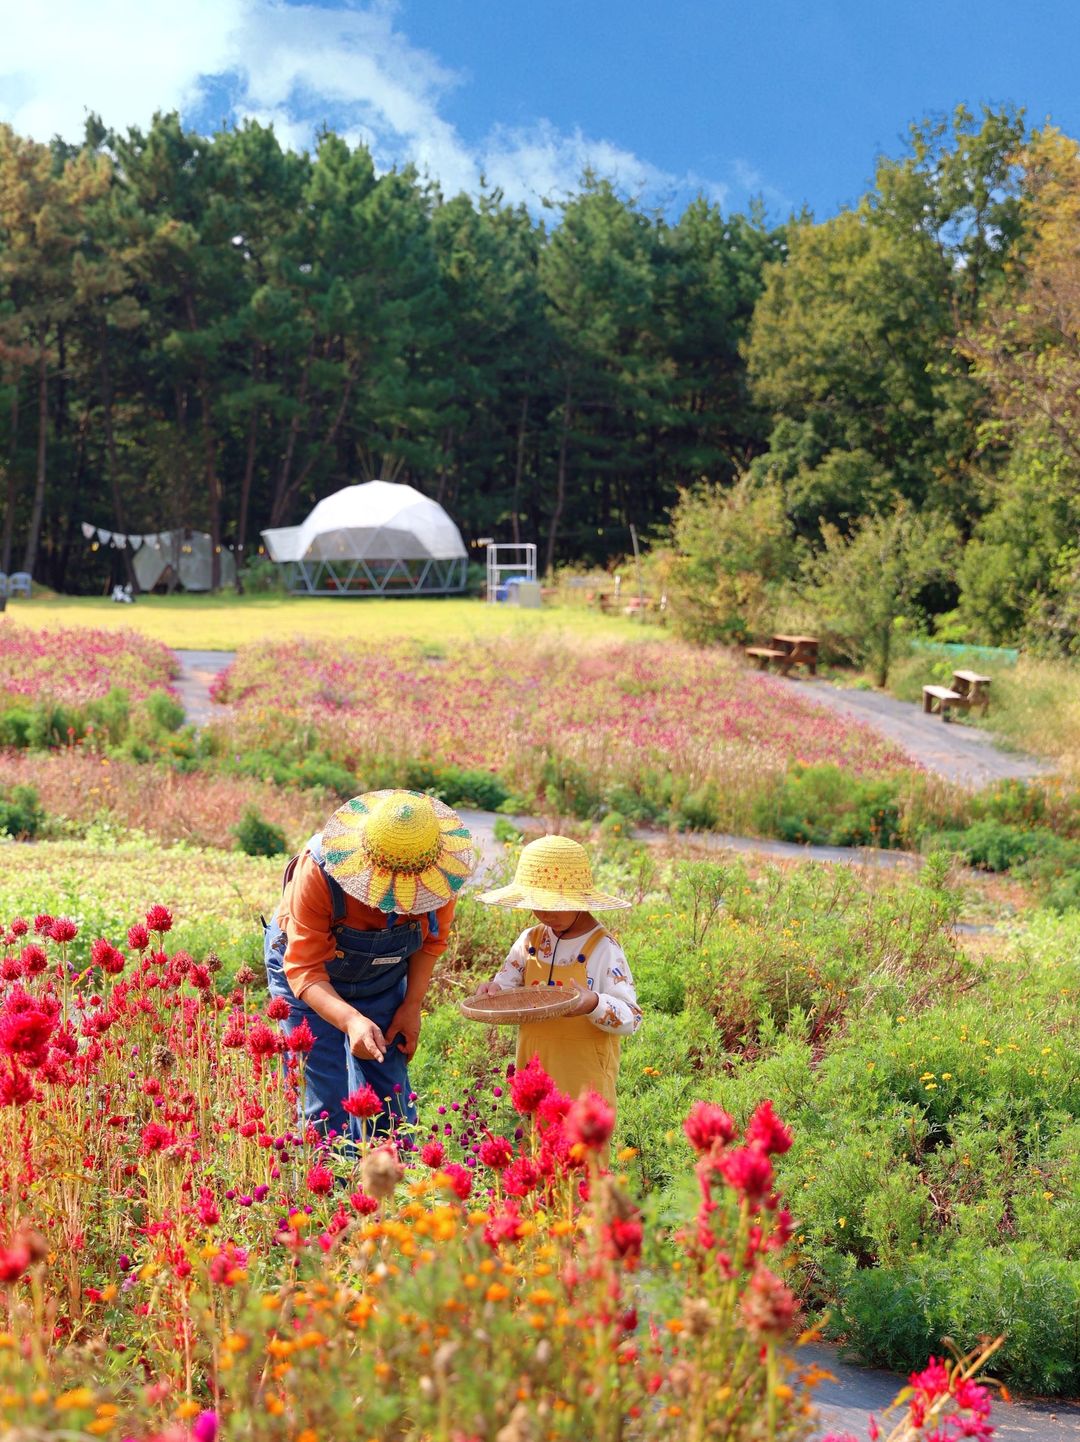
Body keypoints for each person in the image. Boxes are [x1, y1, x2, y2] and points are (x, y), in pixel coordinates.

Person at [264, 789, 477, 1143]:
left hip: (382, 979)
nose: (400, 903)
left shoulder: (439, 879)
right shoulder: (319, 873)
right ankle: (330, 1192)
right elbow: (305, 969)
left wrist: (411, 1007)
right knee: (326, 1105)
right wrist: (350, 1021)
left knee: (392, 1103)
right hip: (310, 978)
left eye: (412, 893)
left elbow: (430, 944)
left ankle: (396, 1193)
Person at [474, 835, 642, 1109]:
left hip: (582, 1075)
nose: (543, 913)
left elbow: (631, 1018)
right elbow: (506, 985)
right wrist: (494, 991)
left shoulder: (603, 948)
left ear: (579, 899)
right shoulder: (530, 941)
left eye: (552, 904)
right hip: (534, 1067)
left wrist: (593, 1003)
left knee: (581, 1146)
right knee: (536, 1145)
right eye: (536, 903)